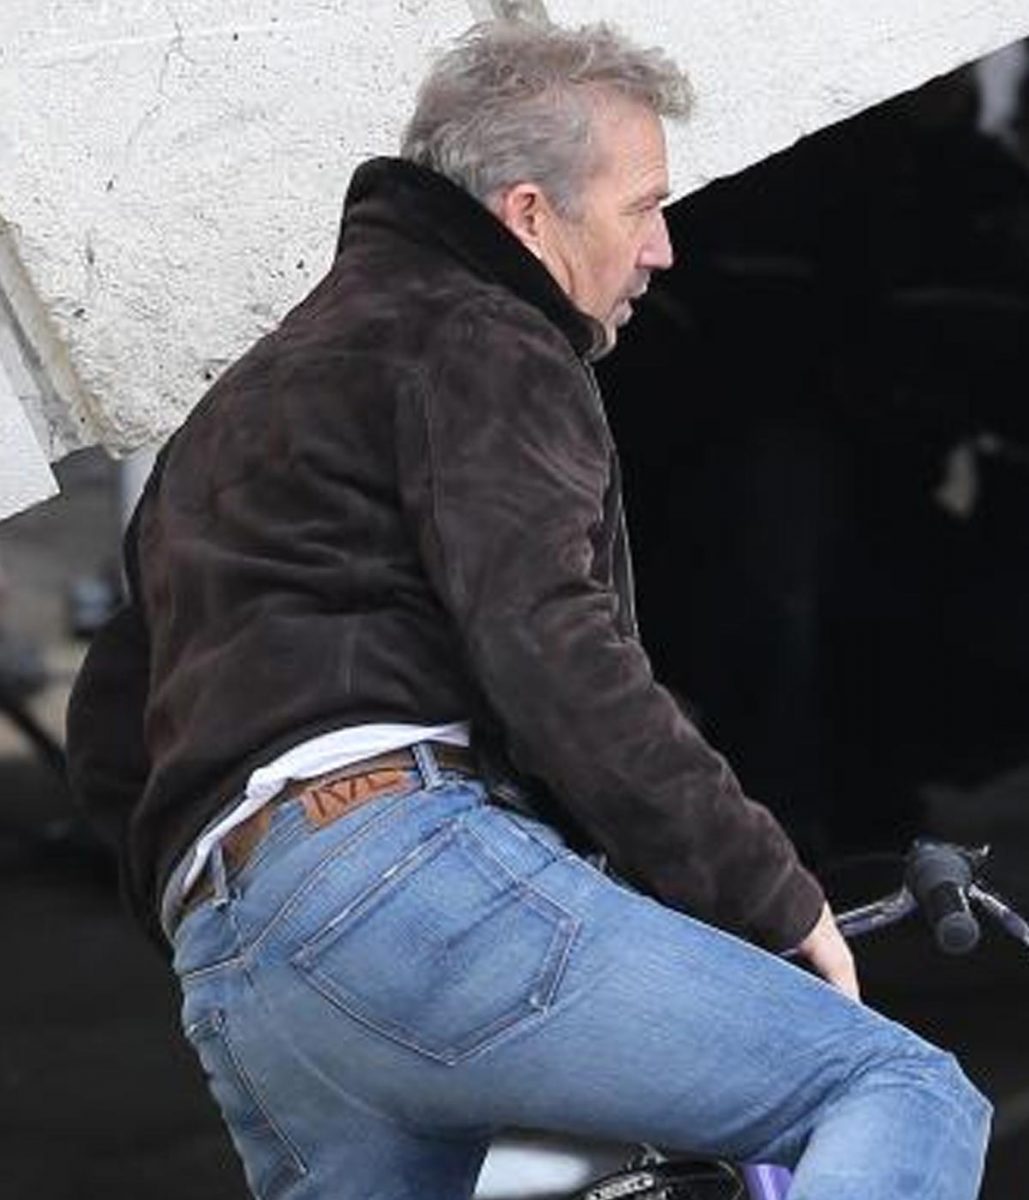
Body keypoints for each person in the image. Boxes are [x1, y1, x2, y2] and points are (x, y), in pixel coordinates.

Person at [66, 18, 990, 1200]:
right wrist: (767, 891)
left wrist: (252, 916)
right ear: (529, 215)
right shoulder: (484, 333)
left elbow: (110, 725)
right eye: (644, 206)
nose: (663, 249)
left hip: (242, 965)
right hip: (400, 870)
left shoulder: (242, 400)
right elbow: (553, 647)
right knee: (895, 1090)